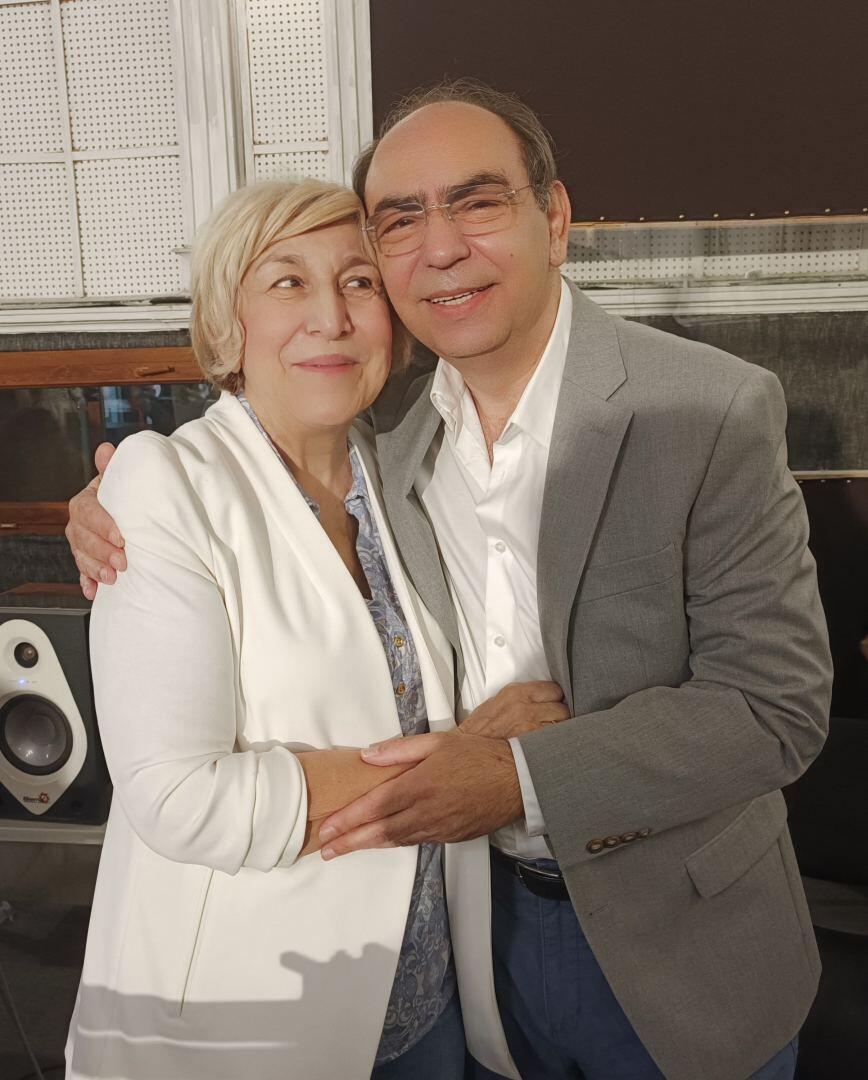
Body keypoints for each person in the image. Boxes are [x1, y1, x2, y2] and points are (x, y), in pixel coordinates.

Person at [67, 81, 834, 1080]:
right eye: (400, 221)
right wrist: (122, 490)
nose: (439, 249)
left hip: (676, 945)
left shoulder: (704, 408)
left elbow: (774, 706)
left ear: (552, 219)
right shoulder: (391, 434)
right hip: (471, 953)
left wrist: (513, 776)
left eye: (476, 203)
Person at [64, 177, 564, 1080]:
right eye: (287, 282)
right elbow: (180, 799)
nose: (330, 317)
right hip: (250, 1026)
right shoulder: (166, 485)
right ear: (229, 324)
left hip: (426, 1007)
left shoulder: (406, 472)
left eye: (360, 282)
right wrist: (467, 759)